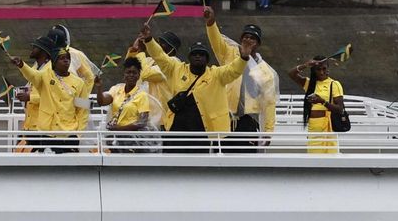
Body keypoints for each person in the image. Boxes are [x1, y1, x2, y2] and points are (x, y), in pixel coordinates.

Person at [140, 11, 250, 150]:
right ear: (189, 57)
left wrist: (243, 58)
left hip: (203, 131)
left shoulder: (217, 74)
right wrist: (149, 40)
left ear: (207, 59)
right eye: (195, 54)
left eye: (202, 55)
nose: (198, 57)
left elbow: (234, 70)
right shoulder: (176, 69)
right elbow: (160, 56)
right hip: (177, 129)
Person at [206, 12, 278, 151]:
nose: (248, 40)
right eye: (245, 37)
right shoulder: (229, 53)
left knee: (245, 157)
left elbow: (269, 103)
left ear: (258, 43)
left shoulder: (265, 71)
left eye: (252, 38)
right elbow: (216, 41)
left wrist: (268, 132)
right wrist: (211, 23)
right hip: (225, 117)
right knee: (220, 156)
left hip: (248, 120)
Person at [10, 45, 94, 153]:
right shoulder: (45, 77)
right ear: (54, 63)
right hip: (47, 133)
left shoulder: (79, 83)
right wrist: (21, 65)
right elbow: (32, 75)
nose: (66, 60)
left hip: (68, 134)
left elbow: (83, 110)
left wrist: (78, 134)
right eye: (61, 58)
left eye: (67, 58)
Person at [98, 56, 161, 152]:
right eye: (128, 72)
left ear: (138, 76)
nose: (131, 75)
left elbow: (142, 122)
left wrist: (119, 129)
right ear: (124, 74)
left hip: (132, 140)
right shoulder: (116, 89)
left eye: (134, 73)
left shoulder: (141, 95)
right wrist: (99, 87)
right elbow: (102, 101)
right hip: (115, 138)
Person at [289, 57, 345, 154]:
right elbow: (291, 74)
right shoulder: (309, 84)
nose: (322, 72)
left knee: (331, 157)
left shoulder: (334, 84)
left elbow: (340, 109)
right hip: (314, 127)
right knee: (314, 156)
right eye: (318, 69)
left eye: (324, 69)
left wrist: (322, 101)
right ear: (313, 70)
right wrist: (305, 65)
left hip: (328, 126)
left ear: (328, 69)